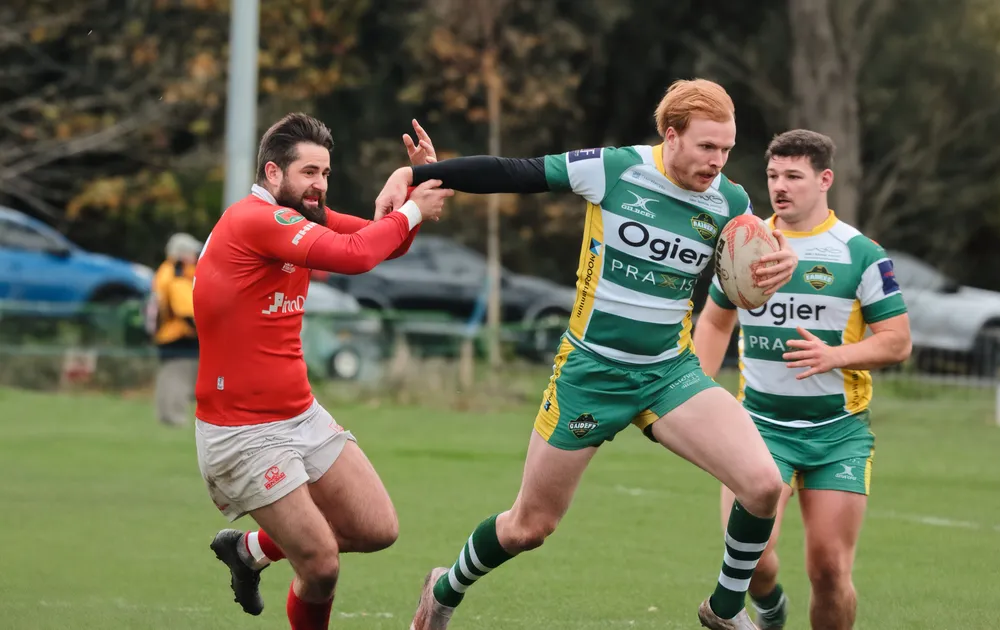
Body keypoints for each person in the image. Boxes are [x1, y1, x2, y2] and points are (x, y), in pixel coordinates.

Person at [377, 79, 799, 630]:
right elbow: (513, 171)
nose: (718, 162)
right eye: (706, 147)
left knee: (765, 485)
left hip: (668, 374)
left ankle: (723, 611)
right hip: (590, 374)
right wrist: (411, 174)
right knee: (530, 526)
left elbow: (758, 255)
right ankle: (444, 587)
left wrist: (780, 263)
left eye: (727, 149)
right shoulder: (615, 170)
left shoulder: (732, 202)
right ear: (670, 137)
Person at [192, 112, 452, 630]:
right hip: (243, 434)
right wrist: (412, 212)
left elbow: (388, 244)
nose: (320, 185)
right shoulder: (255, 219)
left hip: (299, 415)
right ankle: (263, 556)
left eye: (325, 173)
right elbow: (356, 255)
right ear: (272, 173)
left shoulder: (302, 216)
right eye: (308, 172)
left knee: (376, 528)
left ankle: (250, 552)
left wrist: (417, 185)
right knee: (320, 566)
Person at [692, 129, 912, 630]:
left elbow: (897, 341)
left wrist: (836, 355)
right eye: (773, 175)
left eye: (793, 176)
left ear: (824, 179)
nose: (780, 186)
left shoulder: (860, 253)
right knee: (752, 564)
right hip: (758, 430)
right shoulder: (745, 242)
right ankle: (770, 608)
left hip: (838, 435)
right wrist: (697, 393)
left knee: (830, 570)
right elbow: (714, 321)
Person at [149, 232, 203, 426]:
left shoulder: (165, 270)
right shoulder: (177, 274)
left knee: (168, 374)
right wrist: (201, 329)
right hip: (179, 334)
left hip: (166, 333)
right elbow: (185, 309)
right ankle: (175, 417)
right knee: (179, 376)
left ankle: (165, 414)